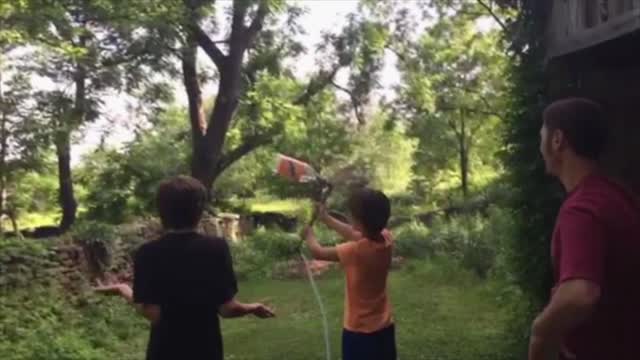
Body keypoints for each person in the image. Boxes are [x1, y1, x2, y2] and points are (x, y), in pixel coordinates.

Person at [95, 176, 274, 360]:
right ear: (199, 209)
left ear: (161, 210)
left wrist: (124, 290)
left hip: (163, 351)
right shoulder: (215, 248)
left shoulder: (147, 253)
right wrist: (253, 307)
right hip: (205, 350)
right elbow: (227, 310)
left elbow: (152, 313)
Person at [528, 98, 640, 360]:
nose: (540, 147)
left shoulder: (581, 210)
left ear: (557, 140)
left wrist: (540, 332)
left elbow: (580, 294)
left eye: (541, 136)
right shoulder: (616, 195)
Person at [303, 188, 396, 360]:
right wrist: (326, 219)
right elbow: (354, 234)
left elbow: (319, 252)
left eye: (352, 215)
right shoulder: (387, 238)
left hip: (360, 331)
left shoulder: (358, 251)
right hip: (384, 326)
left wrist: (309, 235)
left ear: (359, 222)